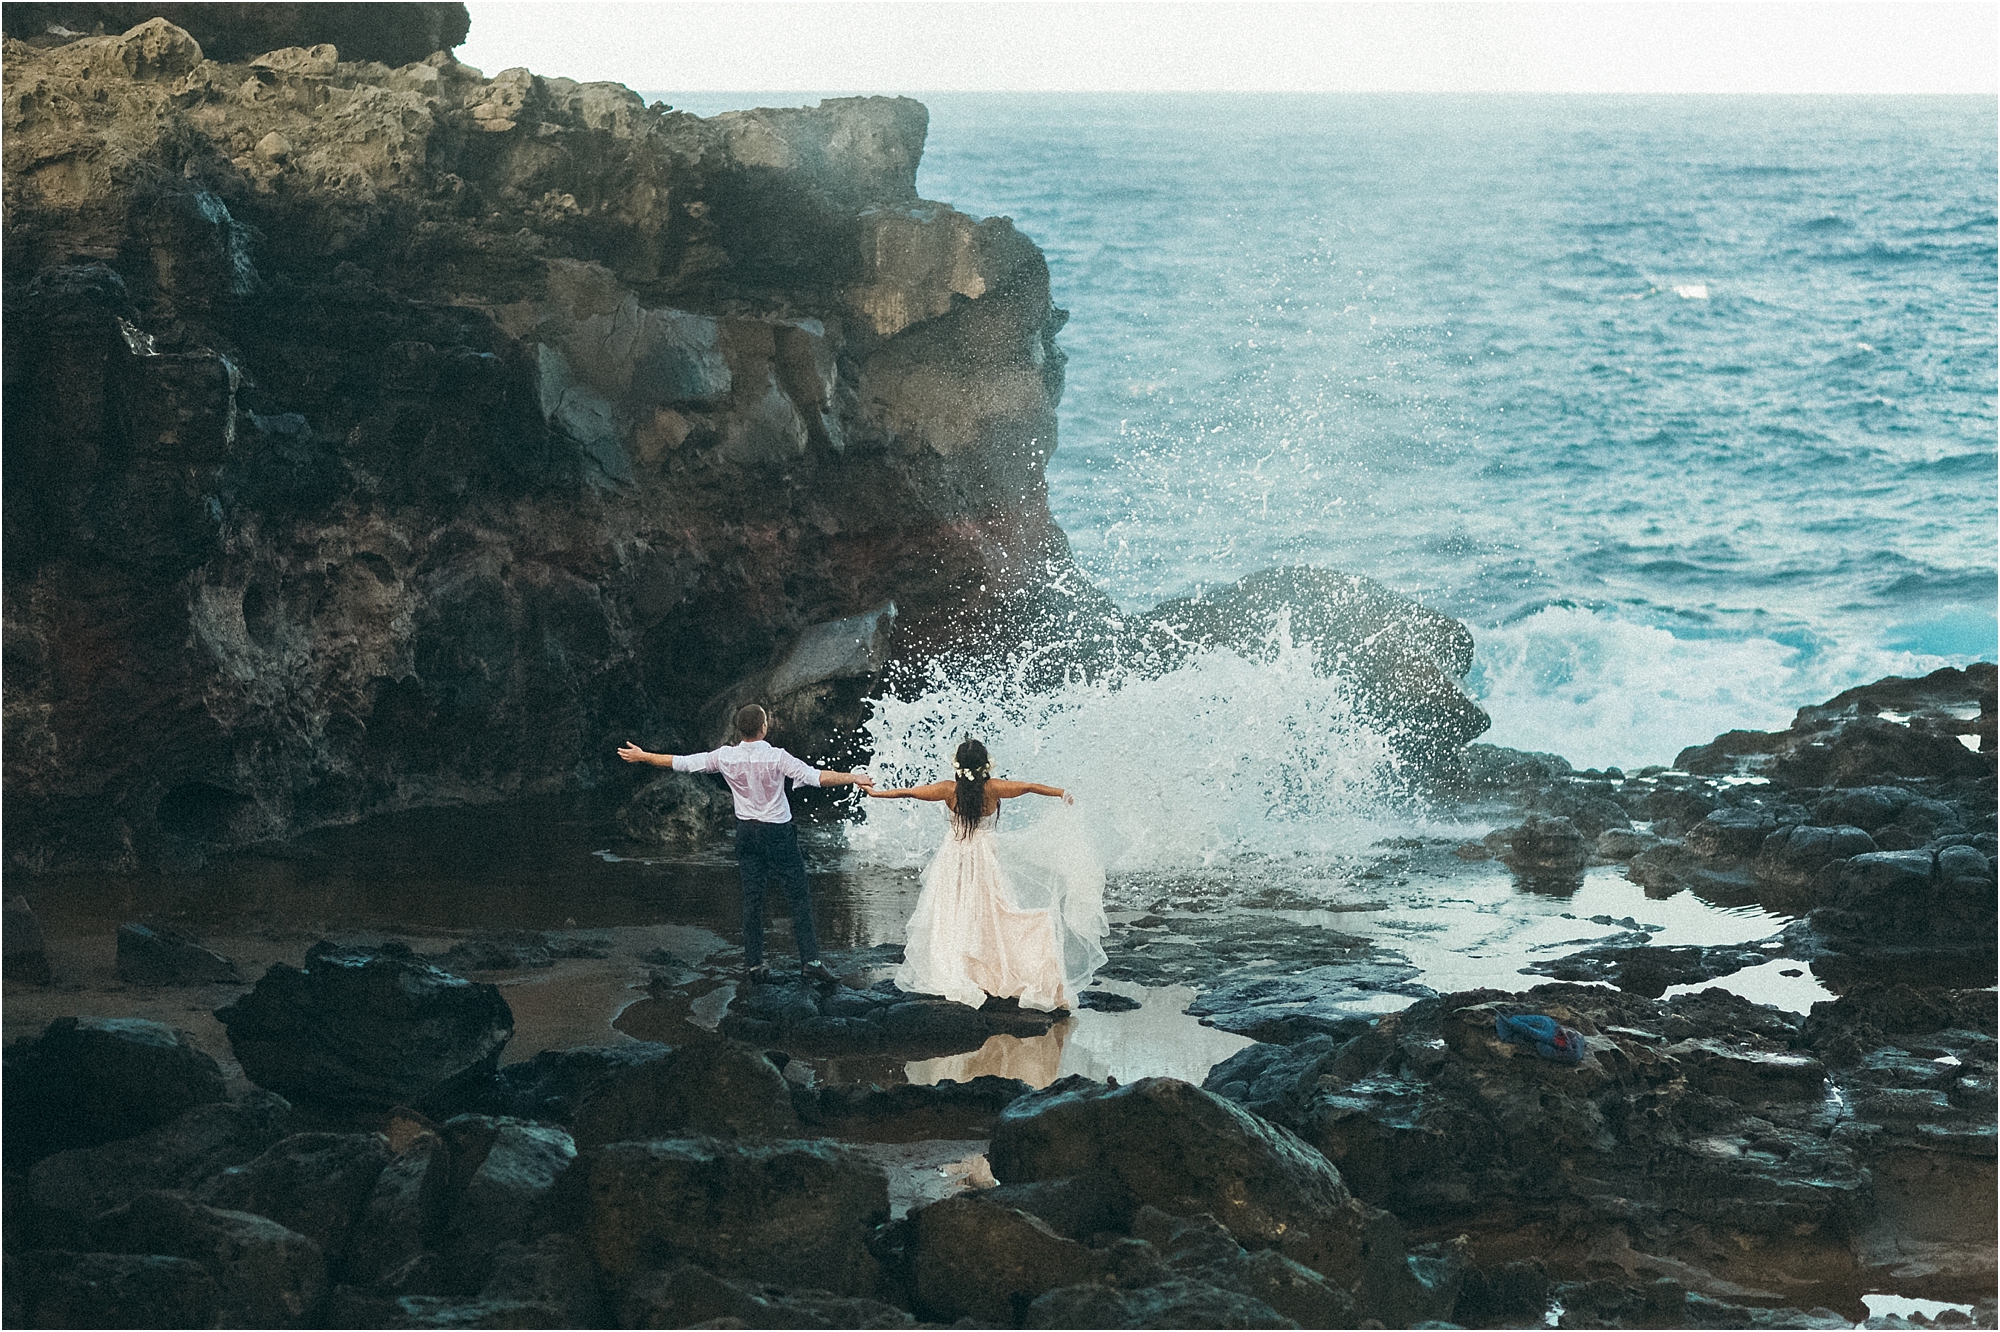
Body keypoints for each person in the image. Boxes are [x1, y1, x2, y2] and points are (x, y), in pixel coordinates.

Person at [617, 705, 872, 984]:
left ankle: (754, 965)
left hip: (746, 833)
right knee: (798, 897)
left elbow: (682, 762)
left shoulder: (725, 756)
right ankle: (810, 963)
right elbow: (815, 777)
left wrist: (643, 756)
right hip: (778, 833)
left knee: (752, 899)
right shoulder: (776, 757)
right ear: (764, 727)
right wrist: (854, 777)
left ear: (739, 730)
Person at [867, 737, 1107, 1014]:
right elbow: (1029, 787)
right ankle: (990, 967)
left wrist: (876, 794)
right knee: (991, 909)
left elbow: (909, 792)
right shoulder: (993, 789)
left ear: (957, 765)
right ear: (985, 765)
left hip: (953, 855)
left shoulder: (948, 790)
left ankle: (962, 966)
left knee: (952, 910)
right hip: (984, 856)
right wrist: (1061, 792)